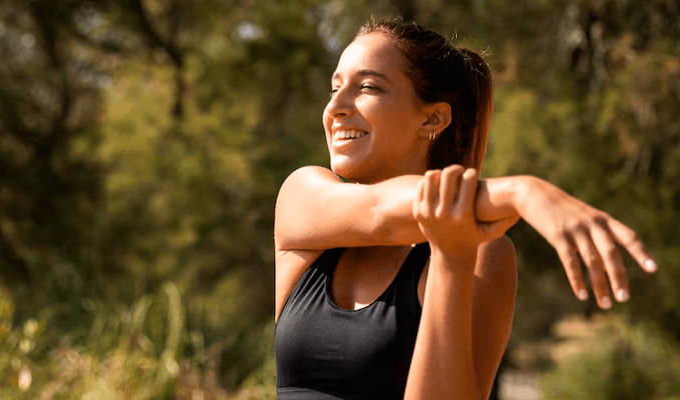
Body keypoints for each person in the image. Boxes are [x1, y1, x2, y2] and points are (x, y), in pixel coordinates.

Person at [273, 17, 656, 400]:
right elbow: (378, 212)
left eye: (368, 87)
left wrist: (451, 260)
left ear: (432, 117)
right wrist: (523, 192)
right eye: (335, 87)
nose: (335, 107)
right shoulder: (303, 197)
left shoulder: (484, 254)